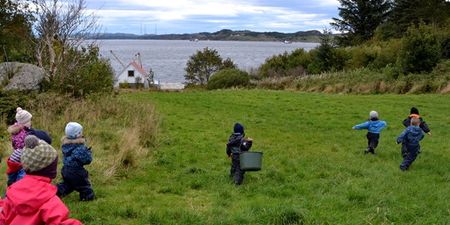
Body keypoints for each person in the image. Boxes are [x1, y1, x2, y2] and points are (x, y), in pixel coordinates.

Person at [0, 135, 82, 225]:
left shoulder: (11, 194)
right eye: (54, 165)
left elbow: (3, 218)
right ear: (49, 170)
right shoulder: (49, 200)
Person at [6, 107, 52, 186]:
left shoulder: (15, 131)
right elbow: (48, 140)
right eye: (29, 120)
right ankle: (19, 187)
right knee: (22, 175)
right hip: (25, 158)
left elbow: (14, 145)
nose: (30, 122)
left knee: (14, 173)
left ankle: (12, 184)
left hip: (15, 157)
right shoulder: (30, 133)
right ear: (26, 122)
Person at [57, 122, 95, 201]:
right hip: (76, 171)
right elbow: (87, 160)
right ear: (77, 134)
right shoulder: (80, 147)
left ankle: (56, 192)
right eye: (81, 132)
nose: (82, 133)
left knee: (68, 185)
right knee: (84, 185)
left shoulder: (66, 145)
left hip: (66, 169)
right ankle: (87, 198)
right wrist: (88, 152)